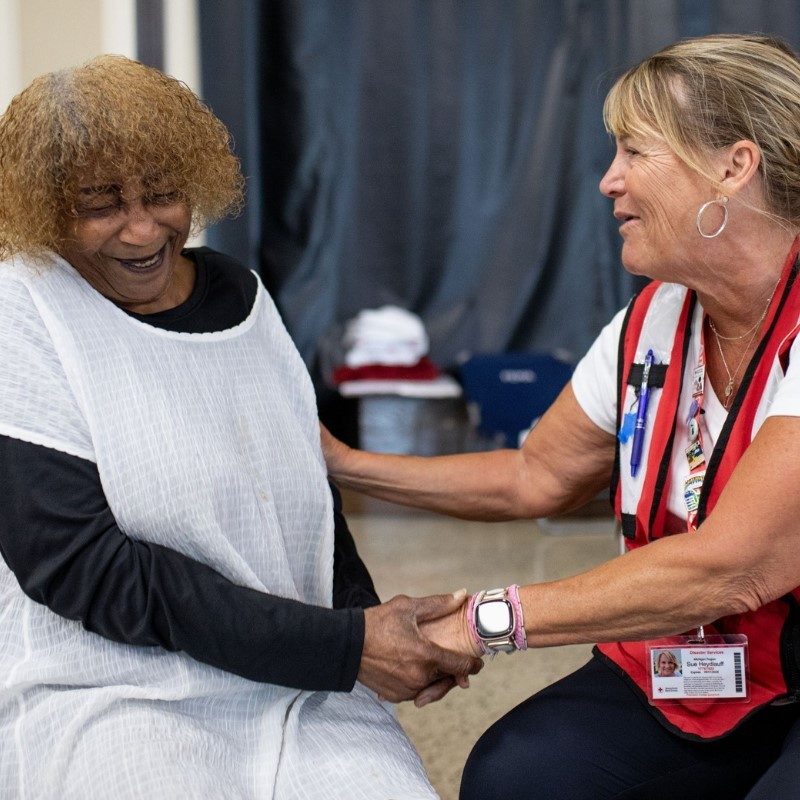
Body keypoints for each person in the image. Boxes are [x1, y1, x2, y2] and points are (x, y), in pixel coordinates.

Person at [322, 34, 800, 799]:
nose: (609, 182)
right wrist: (341, 462)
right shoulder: (654, 319)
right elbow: (535, 475)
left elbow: (730, 569)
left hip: (775, 665)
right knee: (518, 779)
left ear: (733, 167)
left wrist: (476, 622)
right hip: (687, 664)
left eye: (637, 153)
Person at [0, 55, 482, 799]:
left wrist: (376, 629)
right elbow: (85, 569)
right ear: (43, 208)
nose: (141, 229)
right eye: (101, 204)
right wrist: (346, 646)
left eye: (162, 195)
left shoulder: (244, 298)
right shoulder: (23, 309)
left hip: (301, 680)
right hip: (113, 686)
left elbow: (304, 496)